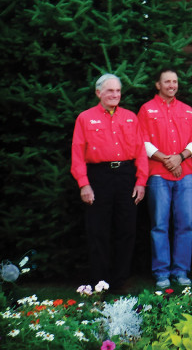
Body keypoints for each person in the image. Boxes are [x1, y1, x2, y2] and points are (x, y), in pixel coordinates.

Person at [70, 74, 147, 290]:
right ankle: (99, 280)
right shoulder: (85, 118)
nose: (115, 95)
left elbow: (141, 151)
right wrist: (84, 184)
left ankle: (120, 280)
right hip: (98, 177)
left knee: (127, 229)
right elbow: (77, 153)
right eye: (110, 91)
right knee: (98, 230)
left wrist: (141, 181)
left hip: (126, 176)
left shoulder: (131, 117)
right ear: (98, 93)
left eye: (118, 91)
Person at [138, 68, 192, 288]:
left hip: (185, 174)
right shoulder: (147, 110)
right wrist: (167, 160)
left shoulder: (187, 110)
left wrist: (179, 158)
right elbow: (142, 142)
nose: (171, 85)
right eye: (167, 82)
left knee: (185, 225)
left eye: (174, 81)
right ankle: (162, 272)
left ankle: (181, 271)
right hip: (158, 175)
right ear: (158, 85)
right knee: (159, 225)